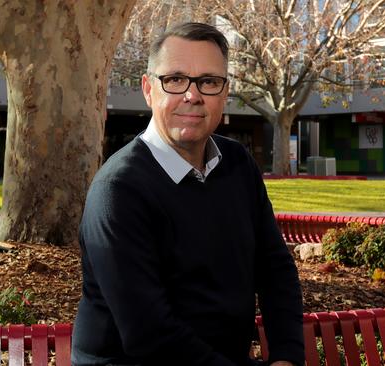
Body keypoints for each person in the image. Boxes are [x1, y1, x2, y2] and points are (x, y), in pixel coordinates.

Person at [72, 22, 304, 366]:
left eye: (209, 82)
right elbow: (149, 334)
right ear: (149, 89)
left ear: (225, 93)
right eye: (175, 79)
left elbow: (275, 269)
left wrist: (287, 356)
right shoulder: (119, 190)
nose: (192, 95)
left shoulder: (237, 164)